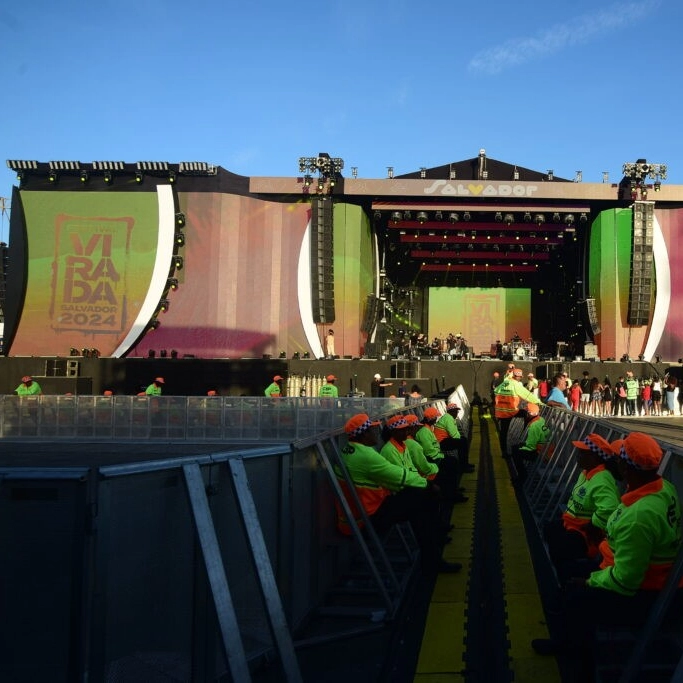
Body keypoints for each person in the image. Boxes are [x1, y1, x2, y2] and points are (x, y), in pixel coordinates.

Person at [532, 432, 683, 674]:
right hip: (657, 583)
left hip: (646, 593)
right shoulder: (664, 488)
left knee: (577, 597)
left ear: (625, 466)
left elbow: (625, 581)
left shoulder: (640, 517)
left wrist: (590, 580)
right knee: (572, 578)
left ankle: (579, 664)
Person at [336, 413, 462, 574]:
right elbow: (397, 475)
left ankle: (432, 552)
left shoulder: (349, 450)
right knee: (422, 502)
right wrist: (428, 484)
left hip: (359, 513)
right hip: (367, 518)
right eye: (372, 430)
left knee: (420, 504)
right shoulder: (366, 455)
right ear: (364, 434)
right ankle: (432, 559)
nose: (376, 433)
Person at [542, 433, 621, 585]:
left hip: (586, 533)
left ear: (595, 457)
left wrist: (592, 524)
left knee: (559, 549)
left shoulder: (602, 478)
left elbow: (609, 508)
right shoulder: (586, 474)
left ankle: (566, 586)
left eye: (583, 453)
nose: (578, 456)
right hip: (572, 525)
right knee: (549, 529)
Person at [414, 407, 462, 503]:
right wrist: (442, 457)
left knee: (453, 462)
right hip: (433, 460)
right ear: (431, 419)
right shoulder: (424, 432)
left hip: (436, 457)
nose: (436, 419)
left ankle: (454, 490)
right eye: (435, 417)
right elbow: (430, 452)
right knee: (451, 464)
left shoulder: (428, 429)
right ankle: (452, 495)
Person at [494, 367, 542, 453]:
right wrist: (539, 402)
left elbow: (495, 391)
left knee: (503, 432)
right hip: (511, 410)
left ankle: (504, 453)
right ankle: (524, 434)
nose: (520, 378)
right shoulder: (516, 385)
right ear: (518, 377)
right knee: (526, 414)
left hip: (501, 411)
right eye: (520, 377)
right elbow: (527, 395)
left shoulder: (504, 383)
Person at [509, 403, 552, 483]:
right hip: (548, 449)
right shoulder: (541, 419)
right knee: (518, 447)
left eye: (526, 413)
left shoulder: (533, 426)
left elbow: (530, 446)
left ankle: (522, 476)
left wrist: (519, 447)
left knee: (516, 452)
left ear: (529, 414)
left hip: (541, 453)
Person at [434, 402, 473, 485]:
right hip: (441, 442)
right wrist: (461, 440)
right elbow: (454, 434)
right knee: (462, 443)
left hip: (442, 440)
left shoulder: (447, 417)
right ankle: (464, 466)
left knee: (462, 441)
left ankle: (464, 464)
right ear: (451, 412)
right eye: (456, 411)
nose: (457, 413)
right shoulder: (448, 418)